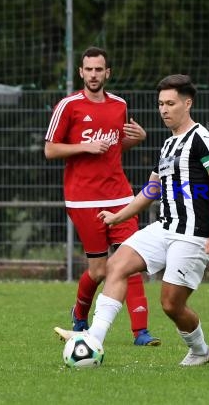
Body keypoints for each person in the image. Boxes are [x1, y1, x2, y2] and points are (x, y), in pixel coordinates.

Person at [55, 74, 209, 367]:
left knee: (171, 304)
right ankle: (93, 340)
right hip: (164, 227)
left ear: (187, 104)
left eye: (171, 103)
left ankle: (200, 350)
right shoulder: (167, 145)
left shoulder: (201, 138)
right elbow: (152, 189)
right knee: (116, 266)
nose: (164, 109)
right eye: (160, 103)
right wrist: (119, 216)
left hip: (192, 233)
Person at [45, 46, 160, 346]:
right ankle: (79, 314)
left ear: (107, 73)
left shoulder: (120, 105)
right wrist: (84, 147)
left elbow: (114, 147)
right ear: (81, 72)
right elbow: (50, 149)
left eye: (99, 69)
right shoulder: (68, 106)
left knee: (130, 260)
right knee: (98, 270)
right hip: (83, 199)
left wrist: (138, 140)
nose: (94, 75)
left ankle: (141, 332)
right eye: (89, 69)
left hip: (120, 196)